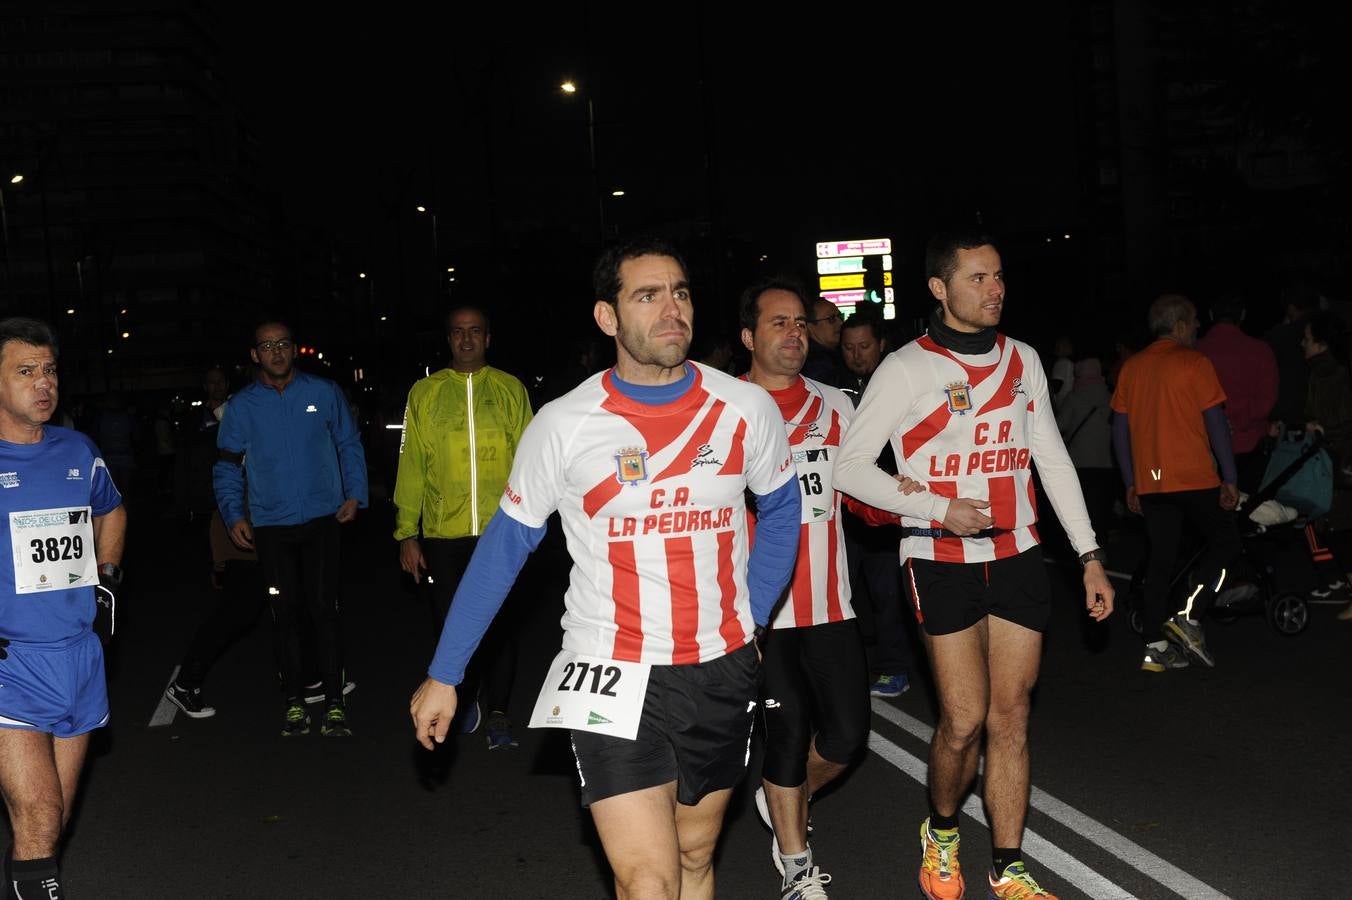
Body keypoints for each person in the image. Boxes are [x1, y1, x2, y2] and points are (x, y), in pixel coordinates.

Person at [410, 238, 800, 900]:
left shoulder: (744, 408)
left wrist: (755, 620)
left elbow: (784, 510)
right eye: (648, 295)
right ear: (607, 317)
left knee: (695, 854)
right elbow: (505, 548)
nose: (671, 309)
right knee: (647, 880)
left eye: (680, 292)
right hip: (610, 668)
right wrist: (446, 673)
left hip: (720, 665)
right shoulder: (564, 424)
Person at [834, 231, 1113, 900]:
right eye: (977, 278)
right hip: (939, 559)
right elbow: (850, 468)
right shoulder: (905, 368)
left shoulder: (1023, 359)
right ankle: (941, 831)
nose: (995, 290)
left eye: (999, 276)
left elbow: (1051, 460)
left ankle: (1008, 866)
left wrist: (1089, 556)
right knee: (962, 720)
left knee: (1010, 716)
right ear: (940, 288)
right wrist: (936, 507)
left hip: (1017, 554)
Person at [739, 279, 917, 899]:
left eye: (800, 323)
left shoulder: (836, 404)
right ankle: (796, 865)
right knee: (786, 735)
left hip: (831, 603)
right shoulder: (725, 410)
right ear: (748, 337)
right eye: (778, 323)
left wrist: (907, 502)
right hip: (760, 613)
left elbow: (861, 495)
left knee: (845, 738)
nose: (794, 333)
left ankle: (782, 797)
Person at [0, 317, 126, 898]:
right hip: (11, 664)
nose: (43, 382)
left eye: (49, 370)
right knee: (40, 813)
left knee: (51, 823)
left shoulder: (78, 449)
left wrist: (107, 578)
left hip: (78, 657)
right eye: (25, 371)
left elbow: (112, 510)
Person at [214, 321, 368, 738]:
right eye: (267, 346)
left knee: (325, 609)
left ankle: (334, 702)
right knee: (285, 613)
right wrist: (234, 515)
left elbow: (348, 442)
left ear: (295, 349)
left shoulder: (324, 392)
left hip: (323, 519)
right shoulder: (241, 406)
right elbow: (227, 465)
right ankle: (295, 702)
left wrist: (355, 493)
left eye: (283, 344)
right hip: (271, 524)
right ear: (255, 355)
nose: (276, 352)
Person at [394, 305, 533, 749]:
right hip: (443, 533)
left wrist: (533, 523)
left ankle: (498, 713)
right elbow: (411, 465)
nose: (467, 339)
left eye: (475, 331)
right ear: (449, 339)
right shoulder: (425, 393)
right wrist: (407, 532)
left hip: (502, 531)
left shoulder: (510, 389)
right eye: (458, 332)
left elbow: (531, 462)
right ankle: (462, 692)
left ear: (487, 338)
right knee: (450, 621)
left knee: (502, 625)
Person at [1111, 294, 1241, 673]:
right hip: (1193, 475)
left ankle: (1155, 647)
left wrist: (1131, 482)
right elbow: (1215, 423)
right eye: (1195, 320)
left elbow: (1119, 431)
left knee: (1161, 558)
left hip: (1153, 478)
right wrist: (1230, 477)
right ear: (1180, 326)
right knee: (1228, 544)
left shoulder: (1132, 367)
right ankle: (1190, 615)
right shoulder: (1195, 363)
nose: (1198, 326)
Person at [836, 312, 916, 697]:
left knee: (888, 594)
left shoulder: (900, 381)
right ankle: (844, 672)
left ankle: (894, 669)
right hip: (845, 511)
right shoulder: (832, 388)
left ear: (881, 345)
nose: (857, 354)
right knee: (843, 594)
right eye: (849, 347)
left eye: (864, 346)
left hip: (887, 508)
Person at [1196, 294, 1278, 492]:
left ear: (1211, 315)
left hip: (1203, 447)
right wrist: (1238, 420)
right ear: (1242, 315)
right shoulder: (1260, 350)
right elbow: (1267, 400)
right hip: (1250, 445)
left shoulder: (1194, 350)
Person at [1055, 358, 1115, 539]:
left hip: (1080, 462)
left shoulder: (1074, 397)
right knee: (1102, 504)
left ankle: (1084, 540)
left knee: (1083, 505)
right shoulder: (1111, 397)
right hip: (1106, 462)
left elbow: (1059, 425)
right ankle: (1102, 539)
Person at [803, 299, 844, 385]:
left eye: (840, 316)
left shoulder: (834, 355)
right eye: (831, 319)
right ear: (810, 326)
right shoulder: (814, 365)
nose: (840, 323)